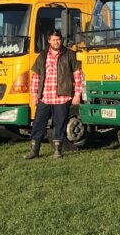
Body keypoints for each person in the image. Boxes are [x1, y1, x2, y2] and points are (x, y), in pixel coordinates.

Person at [26, 30, 82, 159]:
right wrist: (34, 95)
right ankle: (34, 151)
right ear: (49, 41)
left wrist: (77, 94)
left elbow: (77, 75)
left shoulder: (69, 54)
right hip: (45, 97)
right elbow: (36, 76)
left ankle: (58, 150)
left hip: (62, 97)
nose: (56, 42)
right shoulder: (42, 56)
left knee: (60, 124)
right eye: (54, 40)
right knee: (38, 123)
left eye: (58, 39)